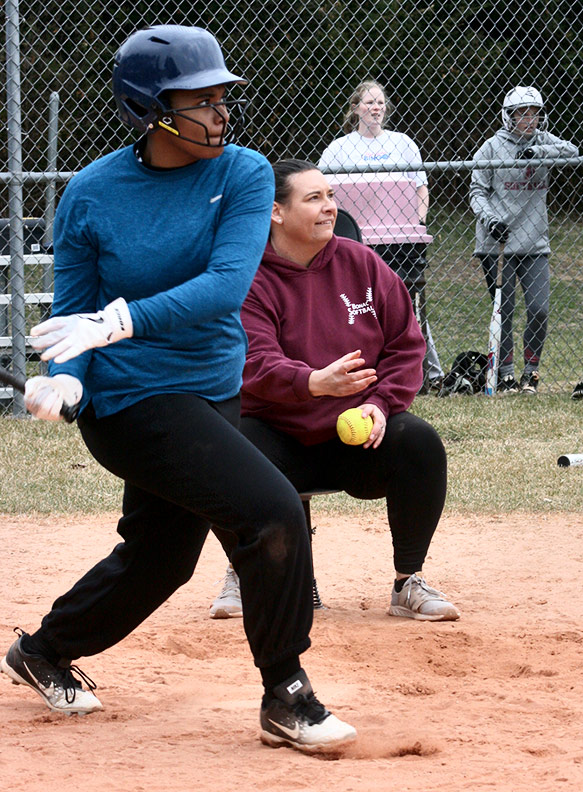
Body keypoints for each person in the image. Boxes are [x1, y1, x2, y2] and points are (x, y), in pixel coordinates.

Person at [0, 25, 356, 753]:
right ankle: (286, 693)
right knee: (272, 511)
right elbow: (73, 313)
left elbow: (225, 287)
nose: (221, 112)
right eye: (201, 100)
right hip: (131, 402)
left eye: (224, 96)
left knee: (161, 555)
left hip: (209, 389)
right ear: (148, 109)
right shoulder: (91, 194)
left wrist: (121, 319)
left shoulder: (246, 172)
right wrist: (65, 384)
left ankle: (43, 650)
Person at [208, 159, 459, 624]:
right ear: (276, 213)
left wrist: (381, 405)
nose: (330, 208)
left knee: (419, 442)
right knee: (216, 448)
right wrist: (311, 382)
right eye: (314, 198)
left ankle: (409, 582)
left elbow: (407, 346)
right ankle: (252, 570)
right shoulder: (248, 276)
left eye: (330, 197)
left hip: (354, 436)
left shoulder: (360, 262)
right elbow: (252, 360)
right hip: (276, 432)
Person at [317, 80, 444, 393]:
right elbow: (323, 191)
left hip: (400, 240)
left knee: (407, 303)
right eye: (369, 102)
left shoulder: (403, 143)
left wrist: (417, 220)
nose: (375, 108)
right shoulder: (339, 149)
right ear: (356, 107)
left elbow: (420, 188)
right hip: (357, 242)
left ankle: (430, 373)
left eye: (380, 103)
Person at [470, 86, 579, 394]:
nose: (529, 120)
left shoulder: (544, 141)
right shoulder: (491, 147)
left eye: (534, 113)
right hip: (498, 242)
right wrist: (491, 221)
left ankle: (530, 372)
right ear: (509, 116)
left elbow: (573, 153)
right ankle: (504, 373)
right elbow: (477, 192)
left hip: (534, 241)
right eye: (522, 114)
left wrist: (537, 152)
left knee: (539, 308)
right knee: (504, 310)